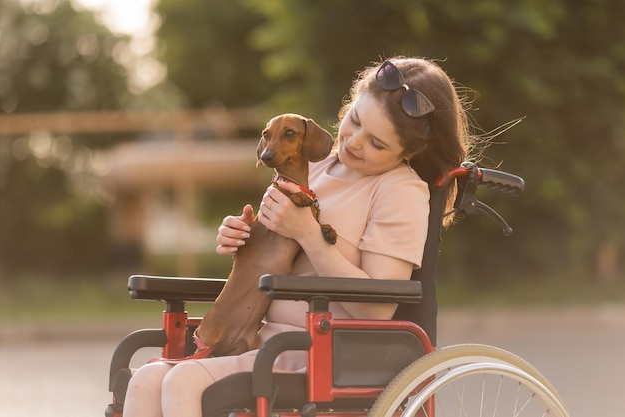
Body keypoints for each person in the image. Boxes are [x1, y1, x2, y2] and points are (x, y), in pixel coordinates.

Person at [123, 56, 475, 417]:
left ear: (409, 151)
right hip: (260, 338)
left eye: (377, 144)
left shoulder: (400, 191)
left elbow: (377, 305)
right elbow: (272, 252)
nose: (354, 142)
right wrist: (242, 237)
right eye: (354, 120)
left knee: (183, 382)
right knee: (145, 381)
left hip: (321, 351)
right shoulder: (314, 166)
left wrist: (309, 234)